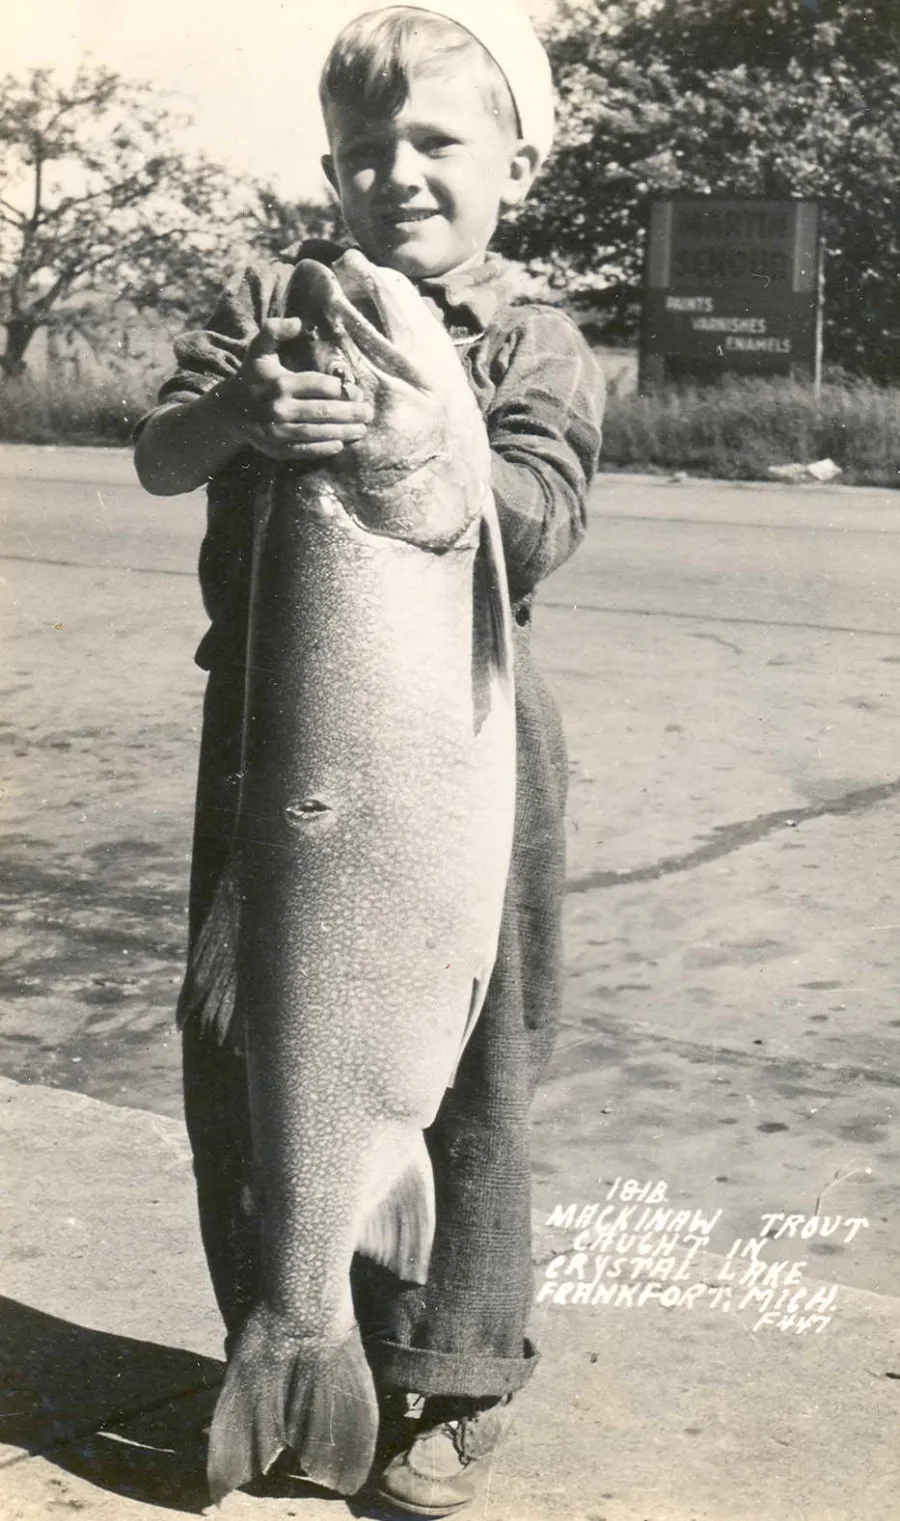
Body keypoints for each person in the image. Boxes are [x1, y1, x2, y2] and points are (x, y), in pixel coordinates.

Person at [134, 3, 603, 1514]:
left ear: (517, 165)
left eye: (435, 141)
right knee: (253, 1047)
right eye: (361, 150)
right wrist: (242, 408)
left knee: (473, 1072)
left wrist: (433, 434)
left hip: (465, 743)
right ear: (331, 168)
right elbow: (157, 453)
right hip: (269, 740)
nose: (395, 173)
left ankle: (452, 1376)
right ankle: (284, 1331)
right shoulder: (276, 303)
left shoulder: (537, 339)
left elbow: (542, 515)